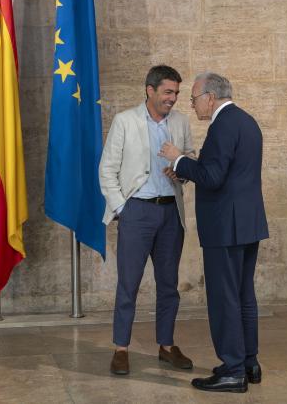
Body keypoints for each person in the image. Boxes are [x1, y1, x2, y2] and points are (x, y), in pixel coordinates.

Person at [160, 72, 269, 394]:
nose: (192, 105)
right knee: (244, 296)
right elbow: (228, 173)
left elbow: (213, 177)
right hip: (248, 224)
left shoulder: (222, 125)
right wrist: (188, 167)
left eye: (193, 99)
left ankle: (232, 372)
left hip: (225, 227)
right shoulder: (246, 121)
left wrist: (177, 158)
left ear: (210, 96)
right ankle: (249, 362)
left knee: (224, 299)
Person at [99, 65, 196, 376]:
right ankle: (121, 348)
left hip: (170, 212)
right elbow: (107, 169)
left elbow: (191, 160)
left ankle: (166, 346)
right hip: (136, 212)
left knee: (169, 284)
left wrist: (181, 170)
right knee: (129, 284)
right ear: (150, 90)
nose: (173, 98)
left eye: (177, 93)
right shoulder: (125, 121)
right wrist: (123, 209)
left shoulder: (180, 122)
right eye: (168, 92)